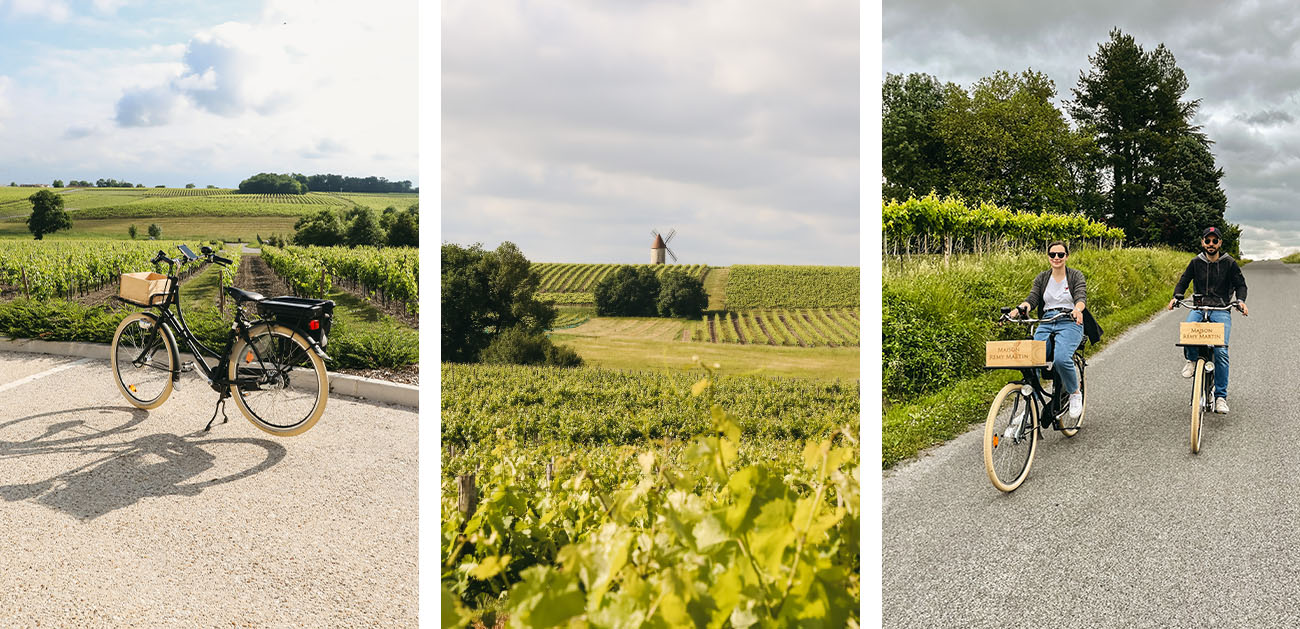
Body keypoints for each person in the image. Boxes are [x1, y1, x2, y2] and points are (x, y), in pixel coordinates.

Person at [1167, 226, 1248, 414]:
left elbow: (1240, 285)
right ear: (1202, 242)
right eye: (1207, 240)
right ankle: (1192, 360)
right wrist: (1176, 296)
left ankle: (1220, 397)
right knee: (1188, 330)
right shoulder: (1196, 262)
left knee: (1221, 350)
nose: (1211, 244)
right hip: (1198, 306)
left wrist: (1241, 301)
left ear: (1220, 243)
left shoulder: (1229, 263)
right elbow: (1184, 280)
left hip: (1220, 309)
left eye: (1214, 241)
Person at [1010, 240, 1086, 419]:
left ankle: (1075, 393)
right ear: (1048, 257)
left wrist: (1078, 309)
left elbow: (1081, 296)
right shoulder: (1042, 278)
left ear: (1066, 256)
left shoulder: (1075, 276)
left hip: (1069, 320)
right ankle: (1032, 404)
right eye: (1053, 254)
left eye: (1060, 254)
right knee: (1032, 359)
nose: (1057, 258)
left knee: (1060, 358)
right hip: (1047, 321)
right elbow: (1033, 298)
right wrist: (1021, 308)